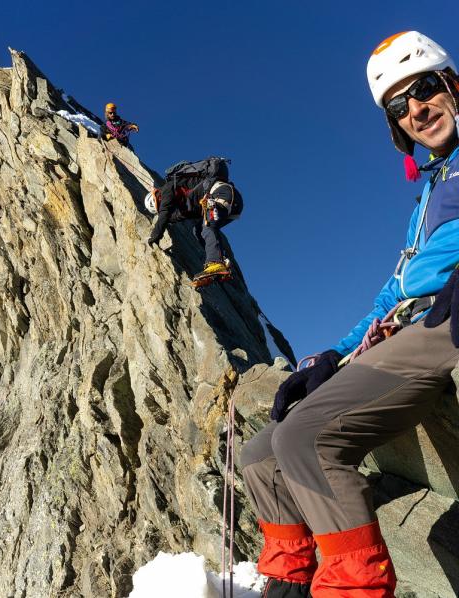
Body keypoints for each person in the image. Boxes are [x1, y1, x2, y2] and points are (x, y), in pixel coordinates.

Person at [239, 31, 459, 597]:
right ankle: (287, 583)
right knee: (262, 454)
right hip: (409, 324)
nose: (416, 109)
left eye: (426, 88)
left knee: (306, 439)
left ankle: (352, 590)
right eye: (399, 105)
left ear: (452, 84)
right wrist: (333, 353)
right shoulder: (432, 191)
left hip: (446, 323)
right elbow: (392, 294)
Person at [146, 157, 243, 283]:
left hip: (221, 193)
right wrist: (165, 221)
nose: (163, 205)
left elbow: (164, 214)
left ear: (157, 197)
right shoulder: (183, 204)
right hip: (230, 203)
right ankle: (222, 261)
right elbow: (172, 217)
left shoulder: (168, 189)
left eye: (160, 205)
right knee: (198, 230)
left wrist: (153, 238)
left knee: (207, 225)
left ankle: (215, 263)